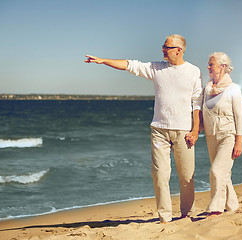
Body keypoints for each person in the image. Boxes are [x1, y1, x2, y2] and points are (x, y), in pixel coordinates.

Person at [84, 34, 203, 223]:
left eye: (167, 47)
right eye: (163, 46)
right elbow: (130, 65)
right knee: (159, 175)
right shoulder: (156, 68)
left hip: (183, 130)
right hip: (159, 129)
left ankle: (187, 214)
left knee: (186, 175)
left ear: (179, 50)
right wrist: (104, 60)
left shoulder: (193, 71)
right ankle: (165, 217)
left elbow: (197, 103)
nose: (163, 49)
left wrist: (196, 130)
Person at [188, 52, 242, 218]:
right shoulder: (207, 89)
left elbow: (239, 117)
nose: (208, 67)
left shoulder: (234, 89)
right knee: (224, 174)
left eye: (211, 64)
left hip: (228, 136)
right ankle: (232, 205)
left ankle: (216, 209)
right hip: (211, 137)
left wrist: (239, 142)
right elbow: (203, 114)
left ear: (223, 67)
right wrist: (195, 131)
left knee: (217, 171)